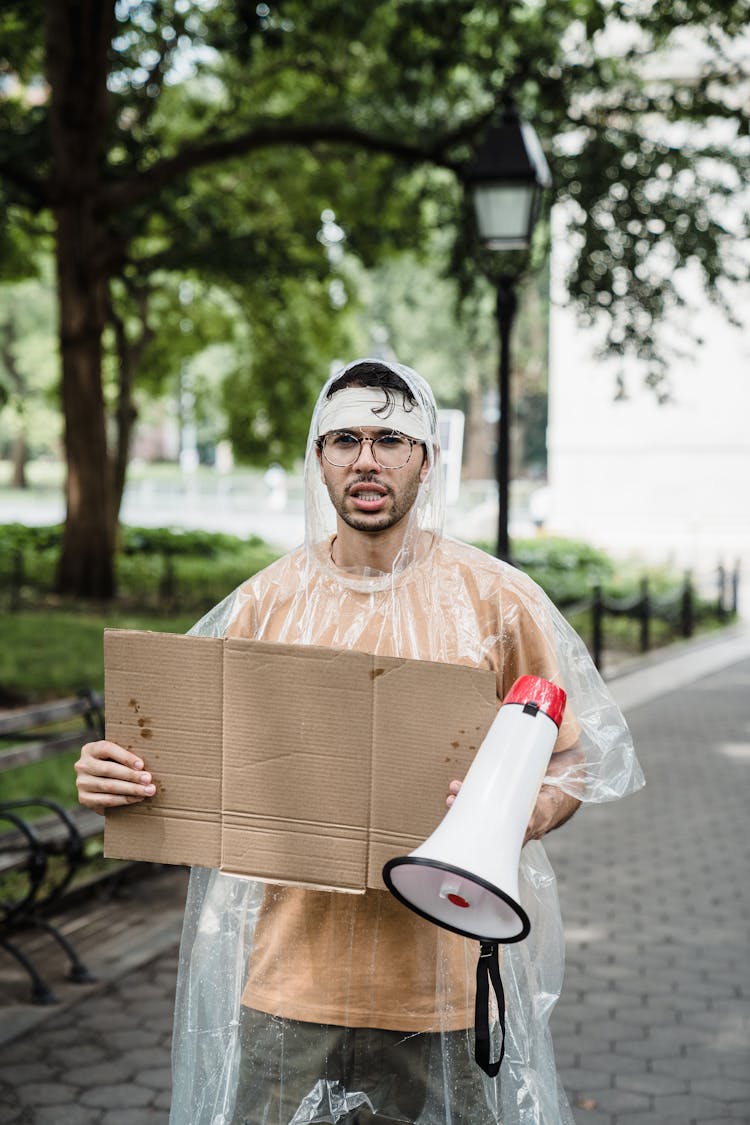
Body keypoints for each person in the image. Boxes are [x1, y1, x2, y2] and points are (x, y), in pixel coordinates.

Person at [76, 358, 644, 1125]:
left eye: (390, 439)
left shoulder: (493, 602)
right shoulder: (266, 606)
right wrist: (117, 776)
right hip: (288, 988)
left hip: (442, 989)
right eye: (344, 438)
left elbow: (572, 756)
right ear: (319, 459)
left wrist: (522, 810)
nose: (367, 459)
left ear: (426, 459)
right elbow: (186, 761)